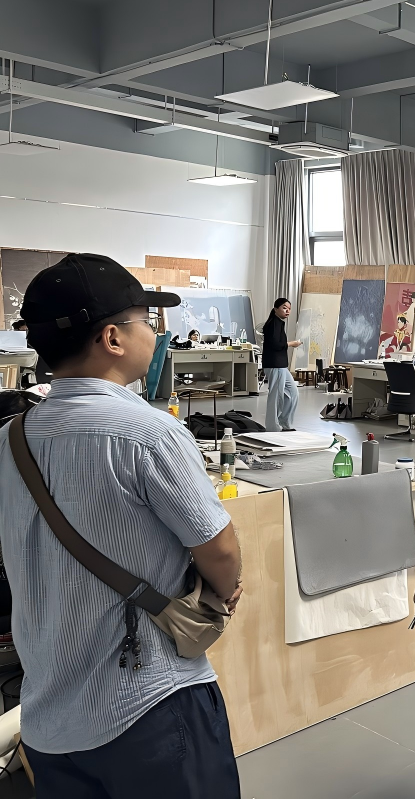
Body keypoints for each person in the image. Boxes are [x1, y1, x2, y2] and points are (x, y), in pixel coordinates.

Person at [0, 253, 243, 797]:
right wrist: (224, 593)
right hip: (148, 702)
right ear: (112, 338)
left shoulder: (10, 438)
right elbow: (220, 550)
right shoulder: (149, 433)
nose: (155, 334)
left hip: (48, 716)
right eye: (146, 321)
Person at [262, 298, 301, 431]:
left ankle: (284, 423)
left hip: (280, 366)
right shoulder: (273, 323)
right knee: (276, 397)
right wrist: (291, 344)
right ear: (276, 309)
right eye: (284, 307)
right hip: (275, 365)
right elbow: (275, 345)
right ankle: (273, 427)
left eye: (289, 308)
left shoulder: (278, 323)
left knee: (293, 393)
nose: (287, 311)